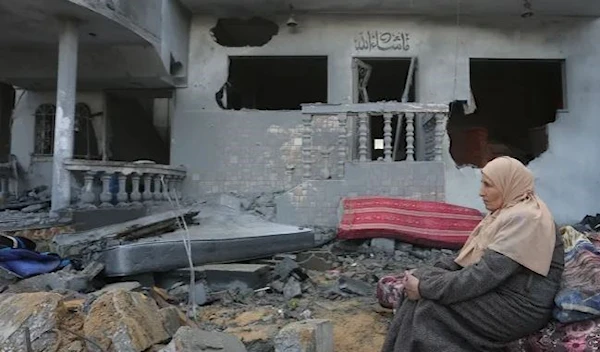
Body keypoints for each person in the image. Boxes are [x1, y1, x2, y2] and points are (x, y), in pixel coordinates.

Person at [381, 156, 564, 352]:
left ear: (508, 184)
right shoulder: (506, 213)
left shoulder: (526, 218)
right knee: (418, 291)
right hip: (501, 292)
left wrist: (426, 288)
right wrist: (426, 275)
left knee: (429, 308)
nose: (481, 192)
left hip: (519, 308)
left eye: (488, 185)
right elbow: (466, 258)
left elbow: (484, 275)